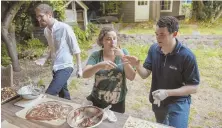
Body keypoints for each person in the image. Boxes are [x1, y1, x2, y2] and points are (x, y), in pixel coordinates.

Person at [124, 16, 200, 128]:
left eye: (162, 34)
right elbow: (145, 74)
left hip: (178, 102)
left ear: (174, 34)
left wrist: (167, 93)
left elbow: (194, 87)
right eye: (156, 34)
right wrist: (137, 65)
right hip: (158, 100)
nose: (158, 38)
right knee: (161, 125)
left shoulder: (187, 56)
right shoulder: (154, 49)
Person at [34, 3, 82, 100]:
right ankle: (68, 112)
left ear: (49, 15)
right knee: (63, 95)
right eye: (37, 17)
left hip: (65, 66)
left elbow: (76, 48)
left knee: (49, 95)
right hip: (55, 67)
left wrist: (79, 68)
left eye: (41, 16)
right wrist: (44, 58)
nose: (38, 19)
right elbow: (51, 47)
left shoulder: (65, 28)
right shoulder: (46, 31)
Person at [82, 27, 136, 113]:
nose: (112, 42)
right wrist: (99, 66)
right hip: (98, 100)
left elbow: (131, 76)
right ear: (102, 41)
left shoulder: (124, 53)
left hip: (118, 101)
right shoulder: (96, 55)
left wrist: (123, 58)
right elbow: (84, 74)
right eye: (108, 39)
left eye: (114, 38)